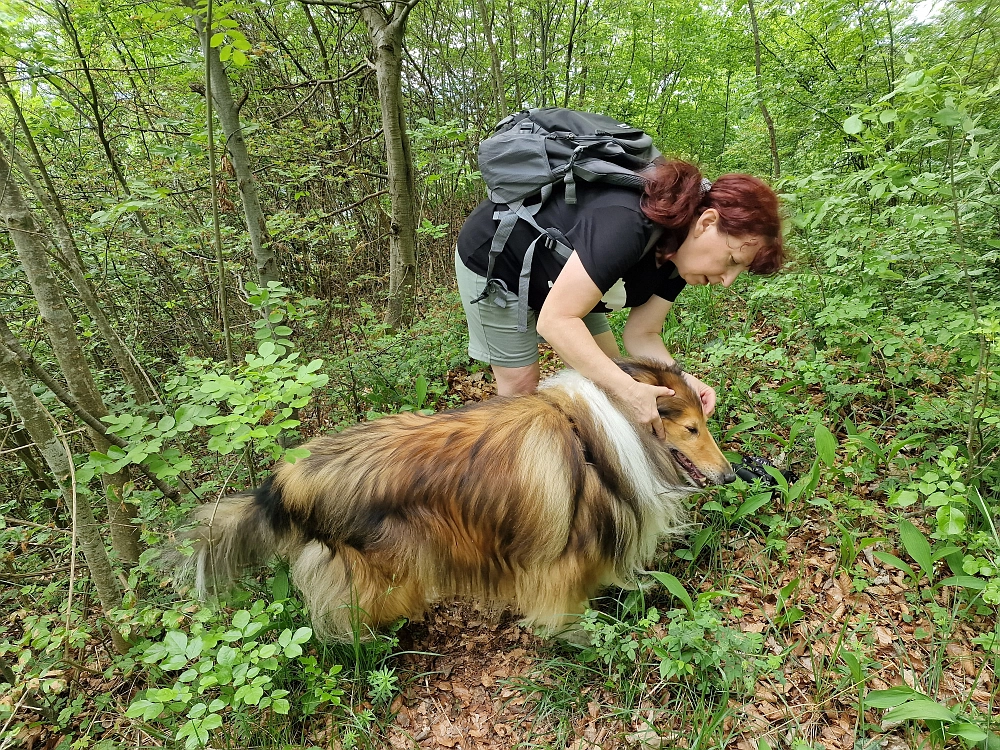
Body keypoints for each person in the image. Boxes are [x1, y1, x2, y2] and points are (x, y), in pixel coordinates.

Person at [454, 159, 785, 439]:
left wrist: (684, 381)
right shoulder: (629, 224)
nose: (727, 281)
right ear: (707, 223)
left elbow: (643, 333)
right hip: (498, 260)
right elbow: (557, 321)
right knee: (521, 390)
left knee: (611, 375)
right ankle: (499, 486)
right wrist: (628, 391)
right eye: (731, 261)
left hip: (563, 276)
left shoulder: (680, 260)